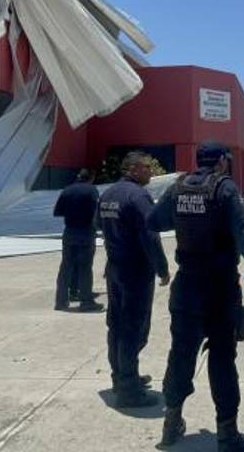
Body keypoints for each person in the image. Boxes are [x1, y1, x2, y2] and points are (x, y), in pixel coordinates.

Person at [150, 141, 244, 451]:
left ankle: (171, 425)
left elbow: (153, 222)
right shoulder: (225, 188)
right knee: (222, 359)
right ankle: (227, 435)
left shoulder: (178, 187)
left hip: (186, 287)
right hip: (219, 289)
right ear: (222, 162)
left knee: (181, 354)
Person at [98, 152, 170, 408]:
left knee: (116, 325)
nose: (151, 172)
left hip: (115, 268)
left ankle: (121, 376)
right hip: (135, 272)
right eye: (147, 168)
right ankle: (129, 389)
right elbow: (151, 234)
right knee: (134, 329)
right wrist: (162, 267)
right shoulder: (138, 196)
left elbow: (101, 226)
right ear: (134, 169)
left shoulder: (107, 195)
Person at [53, 168, 103, 312]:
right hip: (86, 231)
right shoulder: (91, 190)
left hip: (69, 231)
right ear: (91, 178)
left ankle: (61, 301)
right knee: (85, 267)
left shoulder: (67, 190)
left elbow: (57, 212)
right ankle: (86, 300)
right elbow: (96, 211)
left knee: (66, 267)